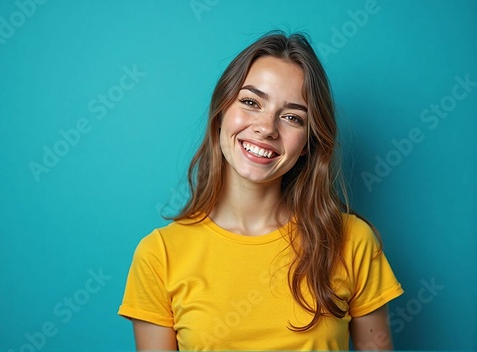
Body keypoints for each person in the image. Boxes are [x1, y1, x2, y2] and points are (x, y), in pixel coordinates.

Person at [118, 31, 404, 350]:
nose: (267, 128)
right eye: (251, 102)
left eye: (292, 117)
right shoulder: (159, 255)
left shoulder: (352, 241)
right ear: (221, 112)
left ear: (310, 142)